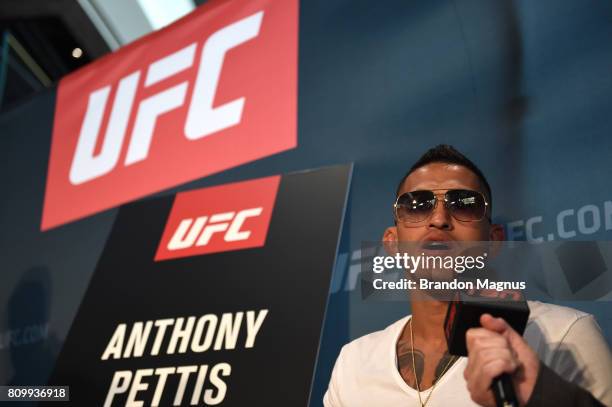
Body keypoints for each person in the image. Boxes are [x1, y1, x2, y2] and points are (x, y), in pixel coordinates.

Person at [323, 145, 612, 407]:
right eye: (416, 205)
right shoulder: (354, 363)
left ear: (494, 240)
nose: (438, 219)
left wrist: (541, 395)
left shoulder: (564, 335)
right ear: (392, 243)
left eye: (464, 203)